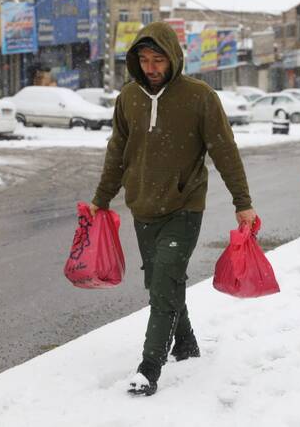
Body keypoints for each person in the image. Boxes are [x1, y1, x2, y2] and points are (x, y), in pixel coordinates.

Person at [89, 22, 256, 397]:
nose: (150, 67)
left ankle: (149, 367)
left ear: (173, 58)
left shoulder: (199, 97)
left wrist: (242, 203)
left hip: (184, 207)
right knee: (162, 284)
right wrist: (101, 199)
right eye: (144, 60)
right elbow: (117, 153)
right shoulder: (128, 98)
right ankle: (186, 344)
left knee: (164, 279)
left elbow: (225, 152)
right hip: (143, 207)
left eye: (157, 59)